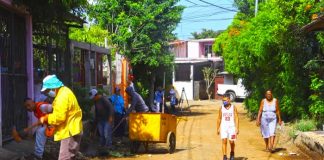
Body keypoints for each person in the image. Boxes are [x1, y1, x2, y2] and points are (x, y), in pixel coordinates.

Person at [39, 75, 83, 160]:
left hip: (69, 132)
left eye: (48, 90)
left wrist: (46, 118)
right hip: (73, 129)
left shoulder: (62, 97)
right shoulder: (65, 92)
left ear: (53, 87)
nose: (48, 92)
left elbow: (59, 117)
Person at [216, 96, 239, 160]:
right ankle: (224, 156)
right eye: (223, 100)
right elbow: (219, 118)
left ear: (229, 100)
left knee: (231, 142)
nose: (224, 102)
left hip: (232, 127)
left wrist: (237, 128)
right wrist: (218, 128)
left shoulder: (233, 108)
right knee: (224, 141)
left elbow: (236, 118)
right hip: (224, 127)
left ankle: (232, 152)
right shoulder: (221, 108)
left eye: (225, 100)